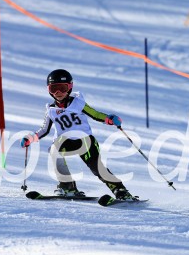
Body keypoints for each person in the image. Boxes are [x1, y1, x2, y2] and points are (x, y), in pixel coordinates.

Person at [20, 69, 135, 199]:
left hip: (85, 141)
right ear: (49, 90)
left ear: (70, 87)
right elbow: (44, 130)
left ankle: (120, 190)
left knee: (97, 168)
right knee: (54, 150)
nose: (58, 93)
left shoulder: (78, 103)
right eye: (54, 89)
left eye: (62, 88)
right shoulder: (51, 110)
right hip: (66, 142)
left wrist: (109, 119)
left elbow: (95, 114)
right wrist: (30, 138)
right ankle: (67, 185)